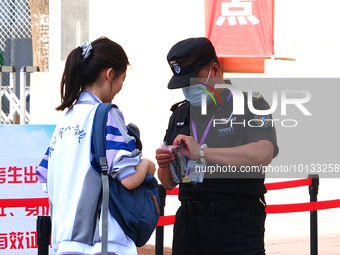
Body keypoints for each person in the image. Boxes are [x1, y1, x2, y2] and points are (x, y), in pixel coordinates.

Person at [156, 37, 279, 255]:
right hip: (189, 225)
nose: (187, 90)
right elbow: (168, 183)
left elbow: (264, 152)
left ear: (214, 70)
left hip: (235, 225)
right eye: (183, 85)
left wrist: (202, 152)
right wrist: (164, 164)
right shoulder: (180, 114)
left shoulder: (251, 104)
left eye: (192, 82)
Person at [36, 37, 155, 255]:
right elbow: (128, 179)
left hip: (65, 243)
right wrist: (147, 164)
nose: (120, 87)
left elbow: (45, 177)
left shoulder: (64, 122)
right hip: (102, 244)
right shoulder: (106, 115)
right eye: (122, 79)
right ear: (109, 74)